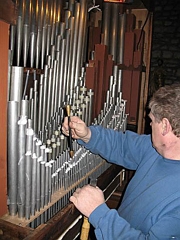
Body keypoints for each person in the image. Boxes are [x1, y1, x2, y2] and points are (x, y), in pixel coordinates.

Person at [62, 84, 180, 240]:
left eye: (152, 120)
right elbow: (122, 145)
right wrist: (87, 134)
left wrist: (98, 212)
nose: (149, 124)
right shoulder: (153, 149)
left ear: (165, 126)